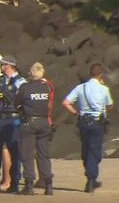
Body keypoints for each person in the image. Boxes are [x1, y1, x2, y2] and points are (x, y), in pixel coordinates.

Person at [62, 63, 113, 193]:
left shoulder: (80, 88)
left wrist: (76, 113)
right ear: (100, 75)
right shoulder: (104, 89)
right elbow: (110, 105)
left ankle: (90, 176)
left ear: (89, 73)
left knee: (86, 149)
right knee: (94, 150)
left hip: (84, 122)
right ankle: (91, 179)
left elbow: (66, 102)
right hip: (97, 122)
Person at [0, 55, 27, 193]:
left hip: (13, 119)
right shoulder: (0, 80)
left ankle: (14, 183)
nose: (0, 67)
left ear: (8, 66)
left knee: (15, 152)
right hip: (0, 119)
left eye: (2, 64)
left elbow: (23, 100)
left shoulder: (20, 81)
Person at [15, 62, 54, 195]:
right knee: (44, 154)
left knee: (28, 154)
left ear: (31, 74)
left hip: (29, 122)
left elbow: (17, 103)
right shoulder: (46, 88)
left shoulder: (25, 87)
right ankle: (48, 184)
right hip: (44, 122)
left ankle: (29, 184)